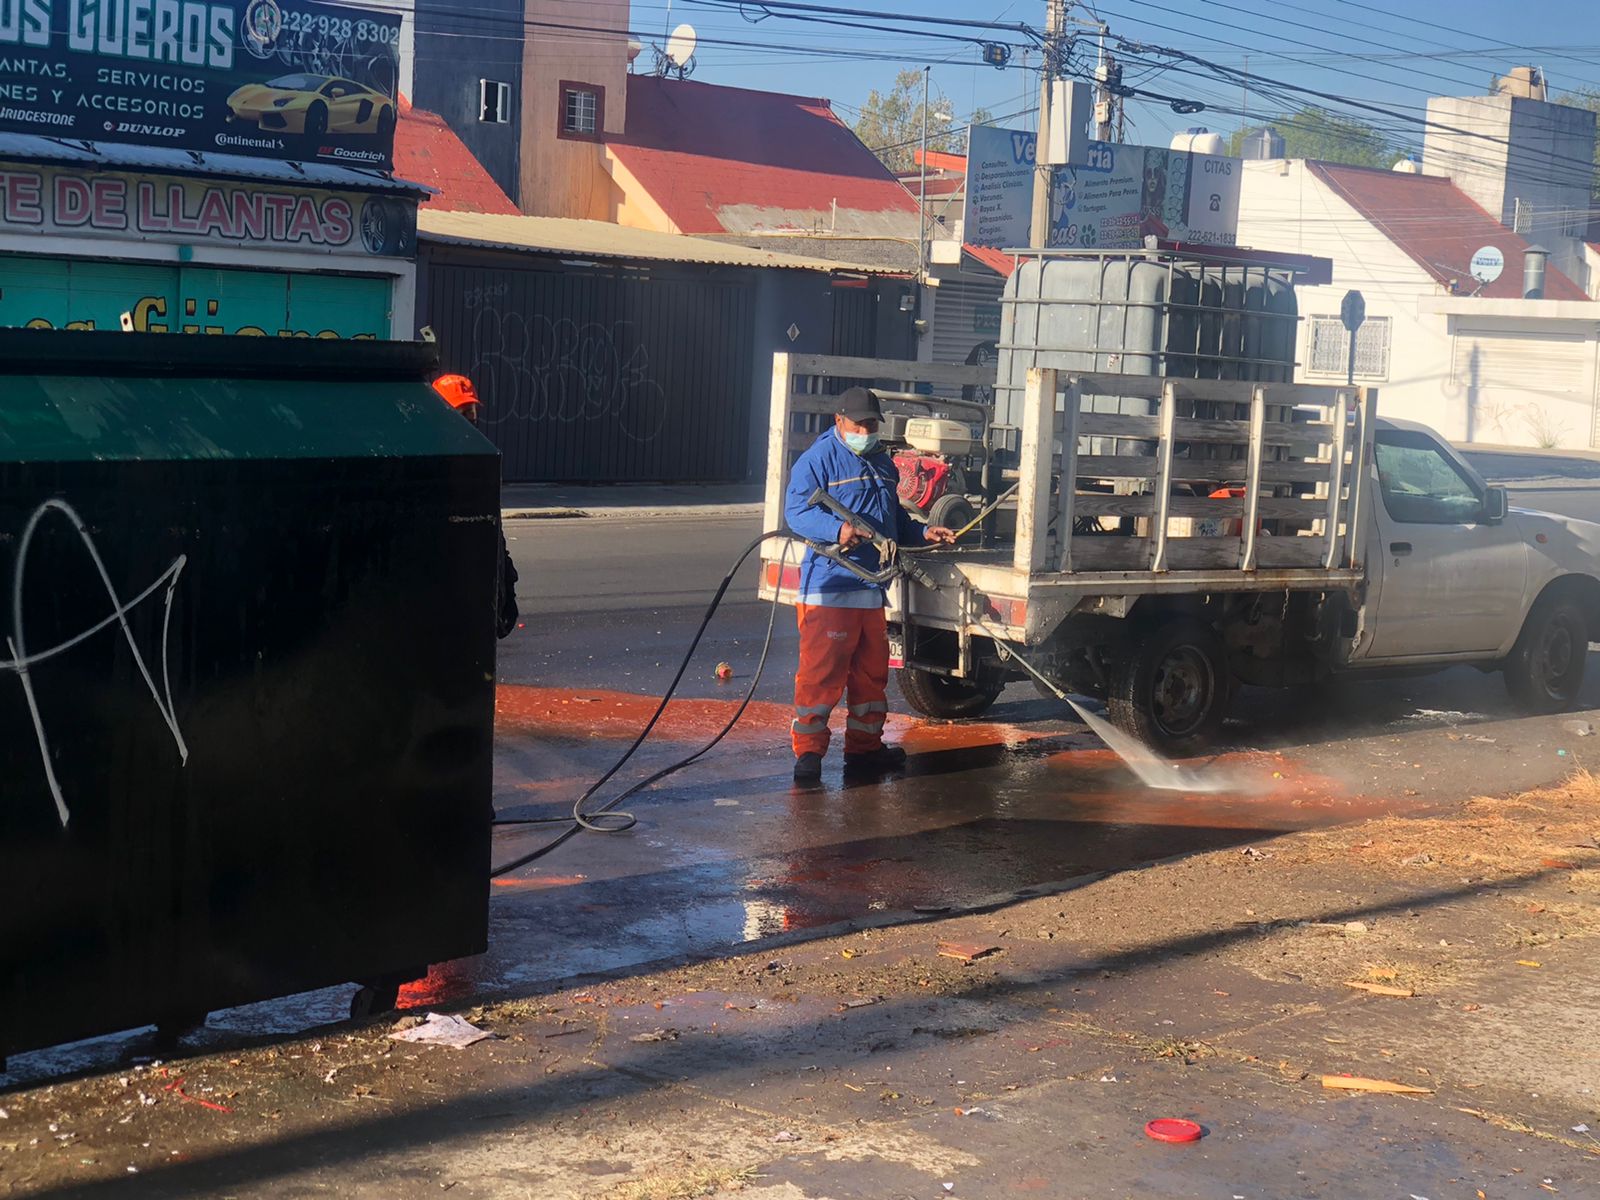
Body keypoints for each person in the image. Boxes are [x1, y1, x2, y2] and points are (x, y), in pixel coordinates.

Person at [783, 387, 957, 783]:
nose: (866, 430)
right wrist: (837, 529)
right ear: (839, 421)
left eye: (871, 424)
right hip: (830, 587)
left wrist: (924, 532)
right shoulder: (818, 460)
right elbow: (796, 512)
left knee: (871, 676)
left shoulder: (882, 461)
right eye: (859, 423)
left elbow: (892, 519)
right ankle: (808, 756)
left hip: (871, 589)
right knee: (821, 676)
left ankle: (864, 751)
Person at [433, 373, 520, 640]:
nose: (470, 416)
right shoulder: (433, 462)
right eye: (462, 410)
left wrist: (506, 585)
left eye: (471, 410)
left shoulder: (482, 458)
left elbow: (494, 531)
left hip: (477, 601)